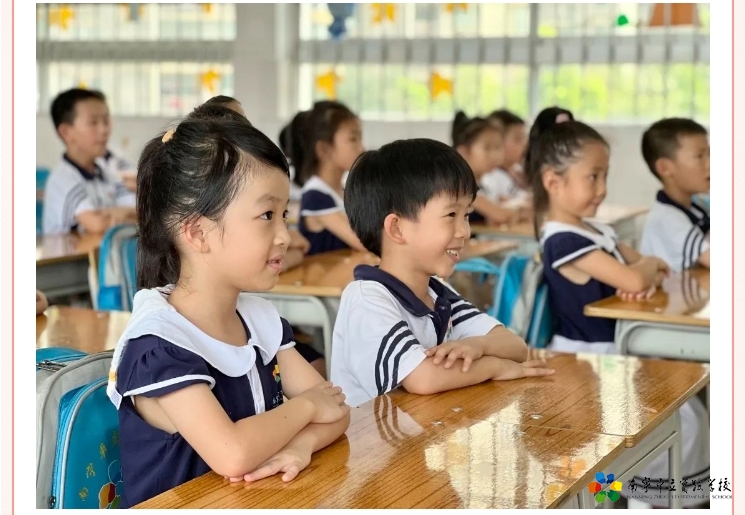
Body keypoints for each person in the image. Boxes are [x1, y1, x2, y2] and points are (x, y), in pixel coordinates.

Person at [105, 116, 350, 507]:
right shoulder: (159, 346)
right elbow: (232, 453)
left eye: (284, 215)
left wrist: (300, 447)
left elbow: (336, 410)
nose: (285, 236)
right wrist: (306, 407)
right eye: (267, 216)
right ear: (197, 233)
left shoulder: (259, 321)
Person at [526, 115, 708, 508]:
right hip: (586, 364)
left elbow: (652, 267)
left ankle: (663, 498)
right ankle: (650, 498)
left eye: (604, 175)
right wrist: (639, 274)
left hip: (615, 356)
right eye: (593, 177)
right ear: (553, 182)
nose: (603, 188)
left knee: (689, 415)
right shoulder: (562, 241)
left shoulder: (596, 231)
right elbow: (637, 275)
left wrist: (641, 272)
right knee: (681, 422)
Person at [331, 138, 554, 408]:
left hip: (423, 427)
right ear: (397, 229)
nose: (465, 231)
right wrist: (494, 366)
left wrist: (478, 346)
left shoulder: (437, 292)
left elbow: (515, 346)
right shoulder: (367, 299)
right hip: (369, 436)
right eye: (451, 215)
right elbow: (424, 378)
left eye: (467, 215)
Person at [43, 88, 137, 235]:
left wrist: (120, 214)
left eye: (106, 121)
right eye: (93, 122)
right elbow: (98, 225)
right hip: (70, 251)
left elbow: (142, 213)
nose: (104, 130)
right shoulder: (62, 179)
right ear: (66, 132)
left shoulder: (108, 171)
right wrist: (123, 214)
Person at [639, 118, 710, 272]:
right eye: (700, 156)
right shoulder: (666, 219)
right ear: (665, 168)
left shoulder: (695, 208)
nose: (710, 164)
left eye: (710, 154)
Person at [295, 101, 366, 255]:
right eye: (353, 139)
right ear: (324, 149)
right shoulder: (315, 196)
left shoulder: (344, 191)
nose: (362, 148)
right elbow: (362, 242)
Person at [451, 112, 525, 226]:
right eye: (487, 148)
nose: (495, 155)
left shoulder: (480, 185)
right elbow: (501, 215)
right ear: (464, 151)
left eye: (498, 147)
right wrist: (519, 207)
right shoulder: (460, 186)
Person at [482, 109, 530, 203]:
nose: (525, 144)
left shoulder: (519, 172)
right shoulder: (489, 179)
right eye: (518, 139)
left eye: (525, 139)